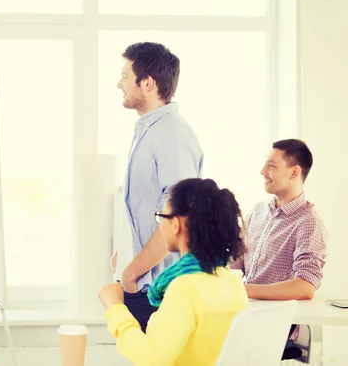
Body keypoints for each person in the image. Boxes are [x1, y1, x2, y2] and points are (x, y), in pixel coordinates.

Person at [99, 178, 249, 366]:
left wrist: (115, 308)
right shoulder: (231, 280)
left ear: (176, 224)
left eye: (161, 217)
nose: (160, 225)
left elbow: (152, 359)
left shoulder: (184, 288)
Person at [112, 42, 203, 330]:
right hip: (142, 280)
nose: (119, 84)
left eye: (125, 76)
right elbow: (143, 205)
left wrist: (131, 273)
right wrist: (124, 254)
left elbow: (180, 216)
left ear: (147, 84)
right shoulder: (149, 130)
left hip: (157, 287)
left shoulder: (171, 135)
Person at [230, 139, 327, 355]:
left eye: (272, 166)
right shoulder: (257, 211)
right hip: (244, 317)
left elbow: (306, 286)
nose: (262, 171)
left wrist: (244, 291)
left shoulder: (309, 222)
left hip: (272, 327)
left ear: (294, 172)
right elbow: (234, 265)